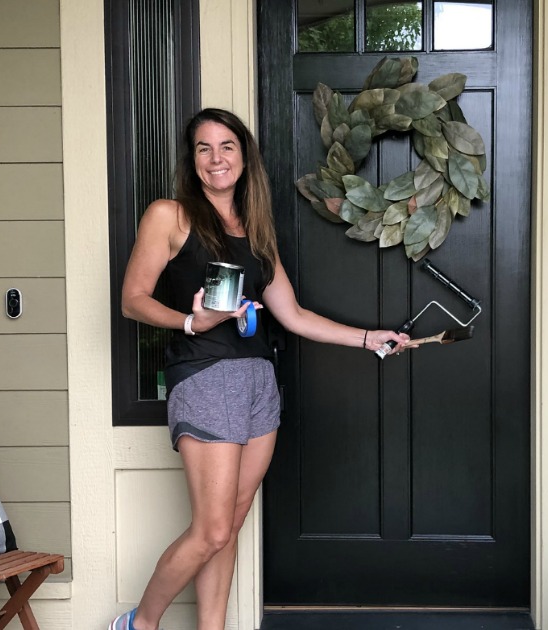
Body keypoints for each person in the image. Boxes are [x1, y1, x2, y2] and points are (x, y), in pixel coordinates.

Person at [110, 108, 410, 630]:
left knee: (231, 522)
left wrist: (369, 338)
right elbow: (132, 300)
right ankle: (140, 624)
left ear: (244, 157)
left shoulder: (255, 231)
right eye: (203, 148)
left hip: (257, 382)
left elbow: (291, 315)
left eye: (226, 146)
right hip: (205, 377)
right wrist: (190, 321)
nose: (216, 158)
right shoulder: (170, 215)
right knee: (212, 531)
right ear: (192, 160)